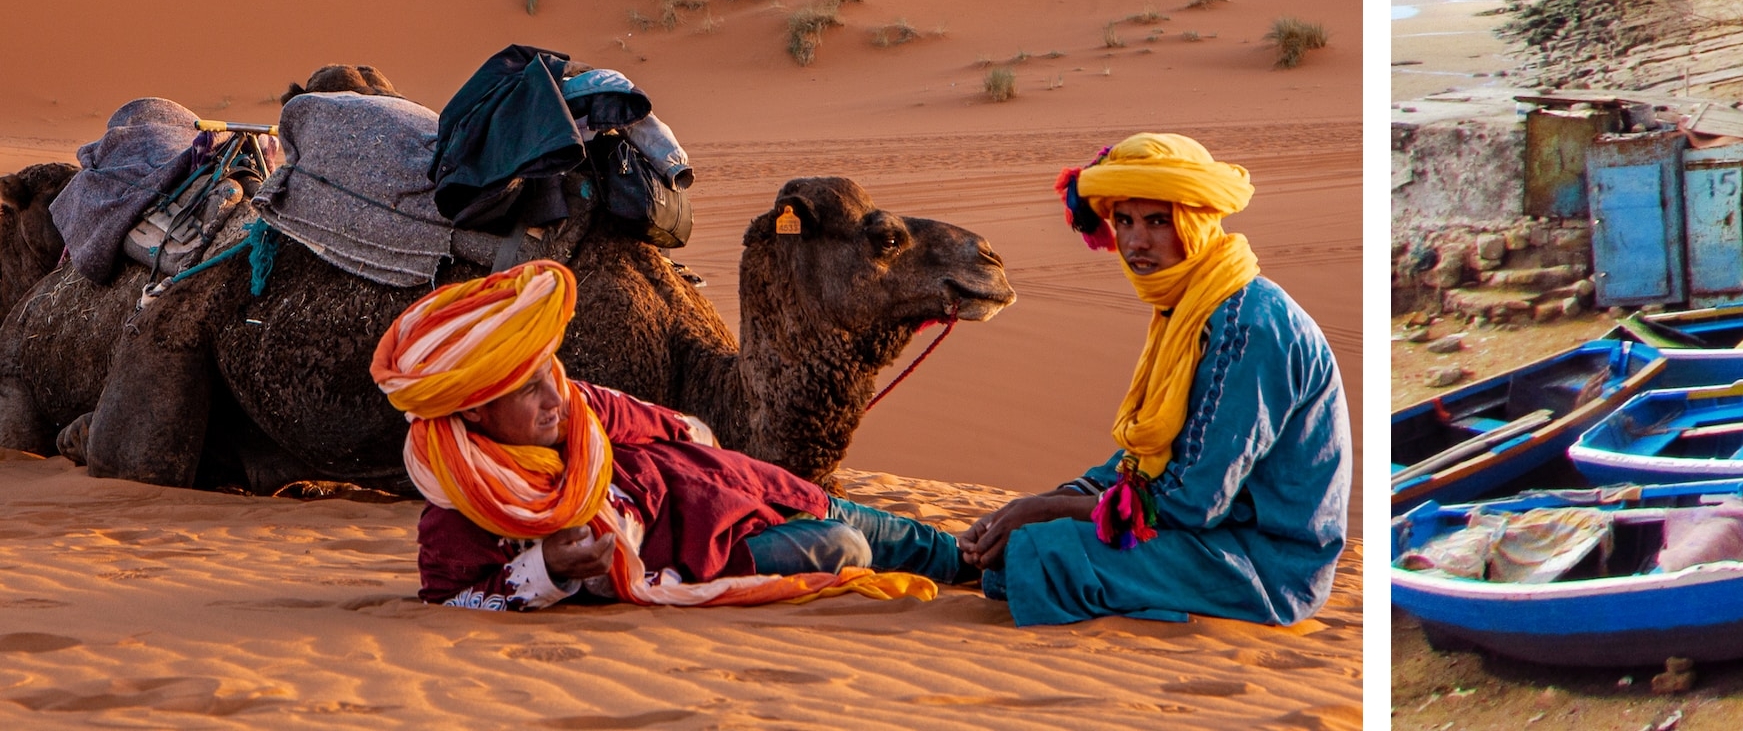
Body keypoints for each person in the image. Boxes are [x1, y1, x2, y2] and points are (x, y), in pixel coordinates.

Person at [374, 259, 968, 609]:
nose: (556, 397)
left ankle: (995, 562)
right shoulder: (462, 508)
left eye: (549, 374)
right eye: (529, 389)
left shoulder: (582, 408)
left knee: (937, 549)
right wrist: (549, 569)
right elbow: (451, 599)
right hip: (716, 553)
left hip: (749, 489)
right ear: (475, 409)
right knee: (846, 547)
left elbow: (682, 428)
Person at [960, 133, 1348, 626]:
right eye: (1124, 221)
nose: (1136, 242)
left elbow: (1195, 500)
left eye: (1158, 221)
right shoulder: (1190, 308)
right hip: (1213, 538)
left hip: (1265, 566)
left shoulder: (1248, 327)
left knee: (1036, 554)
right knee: (1019, 540)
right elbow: (1149, 461)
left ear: (1196, 223)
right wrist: (1040, 503)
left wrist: (1046, 512)